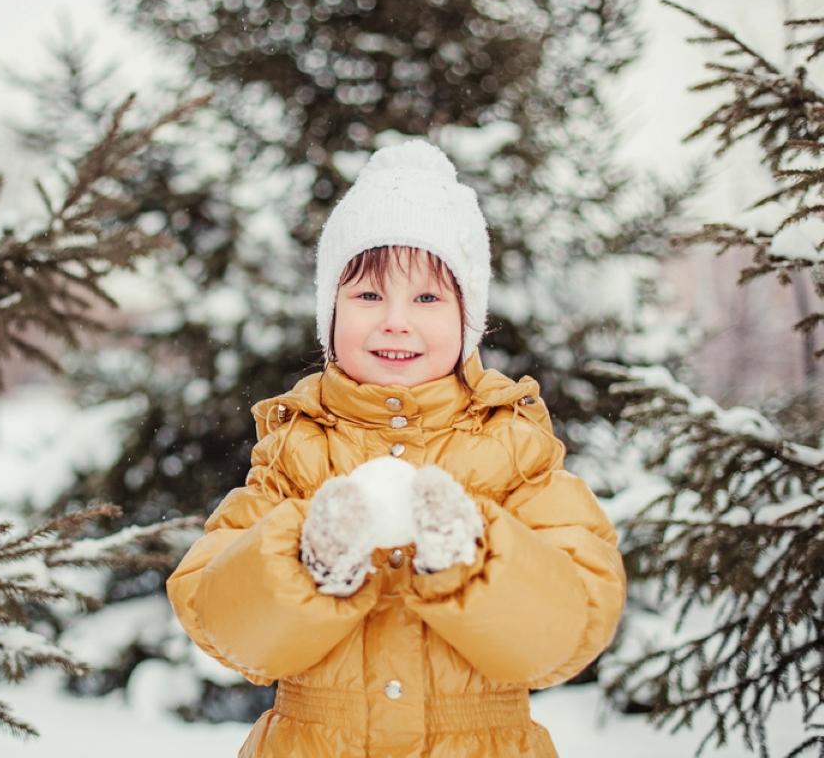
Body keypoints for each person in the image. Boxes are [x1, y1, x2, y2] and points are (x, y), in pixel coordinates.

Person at [165, 139, 627, 757]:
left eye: (428, 298)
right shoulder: (297, 451)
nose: (395, 321)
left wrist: (474, 556)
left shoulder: (513, 447)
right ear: (330, 313)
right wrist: (309, 560)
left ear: (469, 318)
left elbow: (571, 626)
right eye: (368, 295)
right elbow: (219, 617)